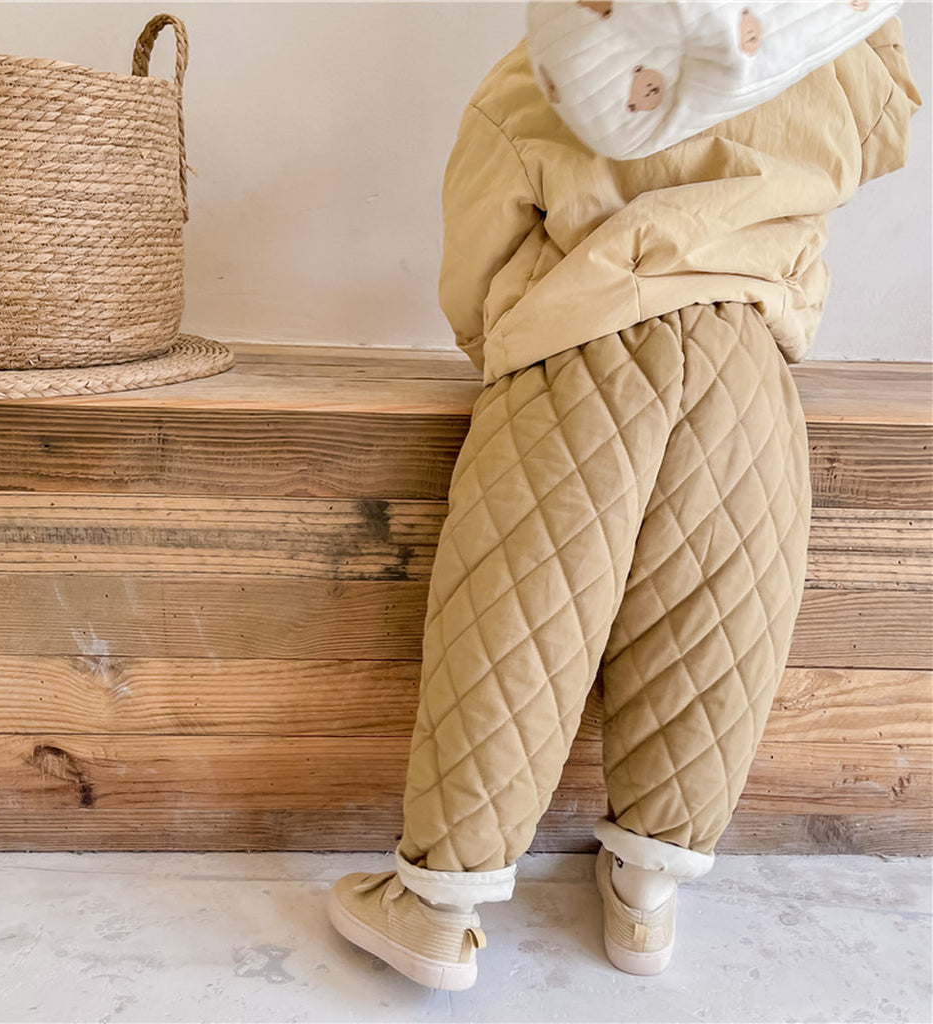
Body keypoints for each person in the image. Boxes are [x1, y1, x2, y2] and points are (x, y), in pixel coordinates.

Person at [327, 0, 920, 989]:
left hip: (574, 352)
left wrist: (498, 344)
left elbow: (478, 247)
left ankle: (437, 905)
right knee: (716, 628)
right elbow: (885, 114)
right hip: (743, 366)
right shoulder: (825, 63)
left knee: (516, 628)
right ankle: (647, 893)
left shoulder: (536, 82)